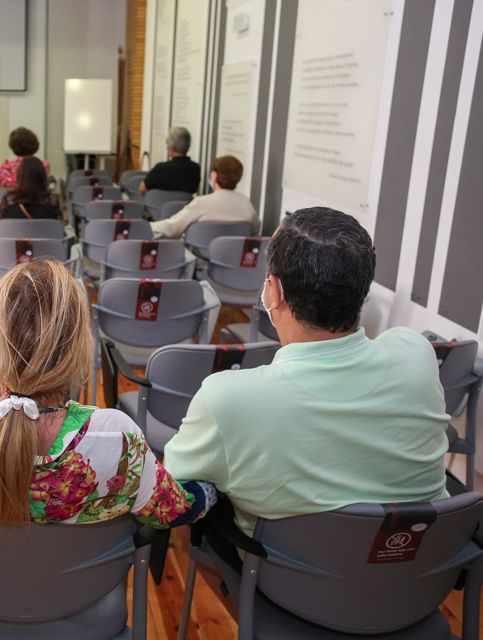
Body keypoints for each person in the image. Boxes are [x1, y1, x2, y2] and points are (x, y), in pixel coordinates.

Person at [163, 207, 450, 542]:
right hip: (414, 571)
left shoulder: (226, 398)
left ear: (274, 292)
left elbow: (173, 484)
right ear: (362, 289)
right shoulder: (416, 353)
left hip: (283, 583)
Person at [0, 259, 215, 527]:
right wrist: (214, 487)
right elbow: (179, 509)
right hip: (81, 604)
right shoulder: (119, 438)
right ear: (78, 348)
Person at [150, 155, 260, 239]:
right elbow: (255, 230)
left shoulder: (201, 203)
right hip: (236, 263)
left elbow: (171, 228)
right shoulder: (246, 203)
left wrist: (146, 225)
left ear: (214, 176)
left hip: (200, 261)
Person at [138, 127, 201, 196]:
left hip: (158, 206)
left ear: (171, 147)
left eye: (167, 143)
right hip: (185, 206)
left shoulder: (160, 168)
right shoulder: (195, 169)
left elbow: (143, 189)